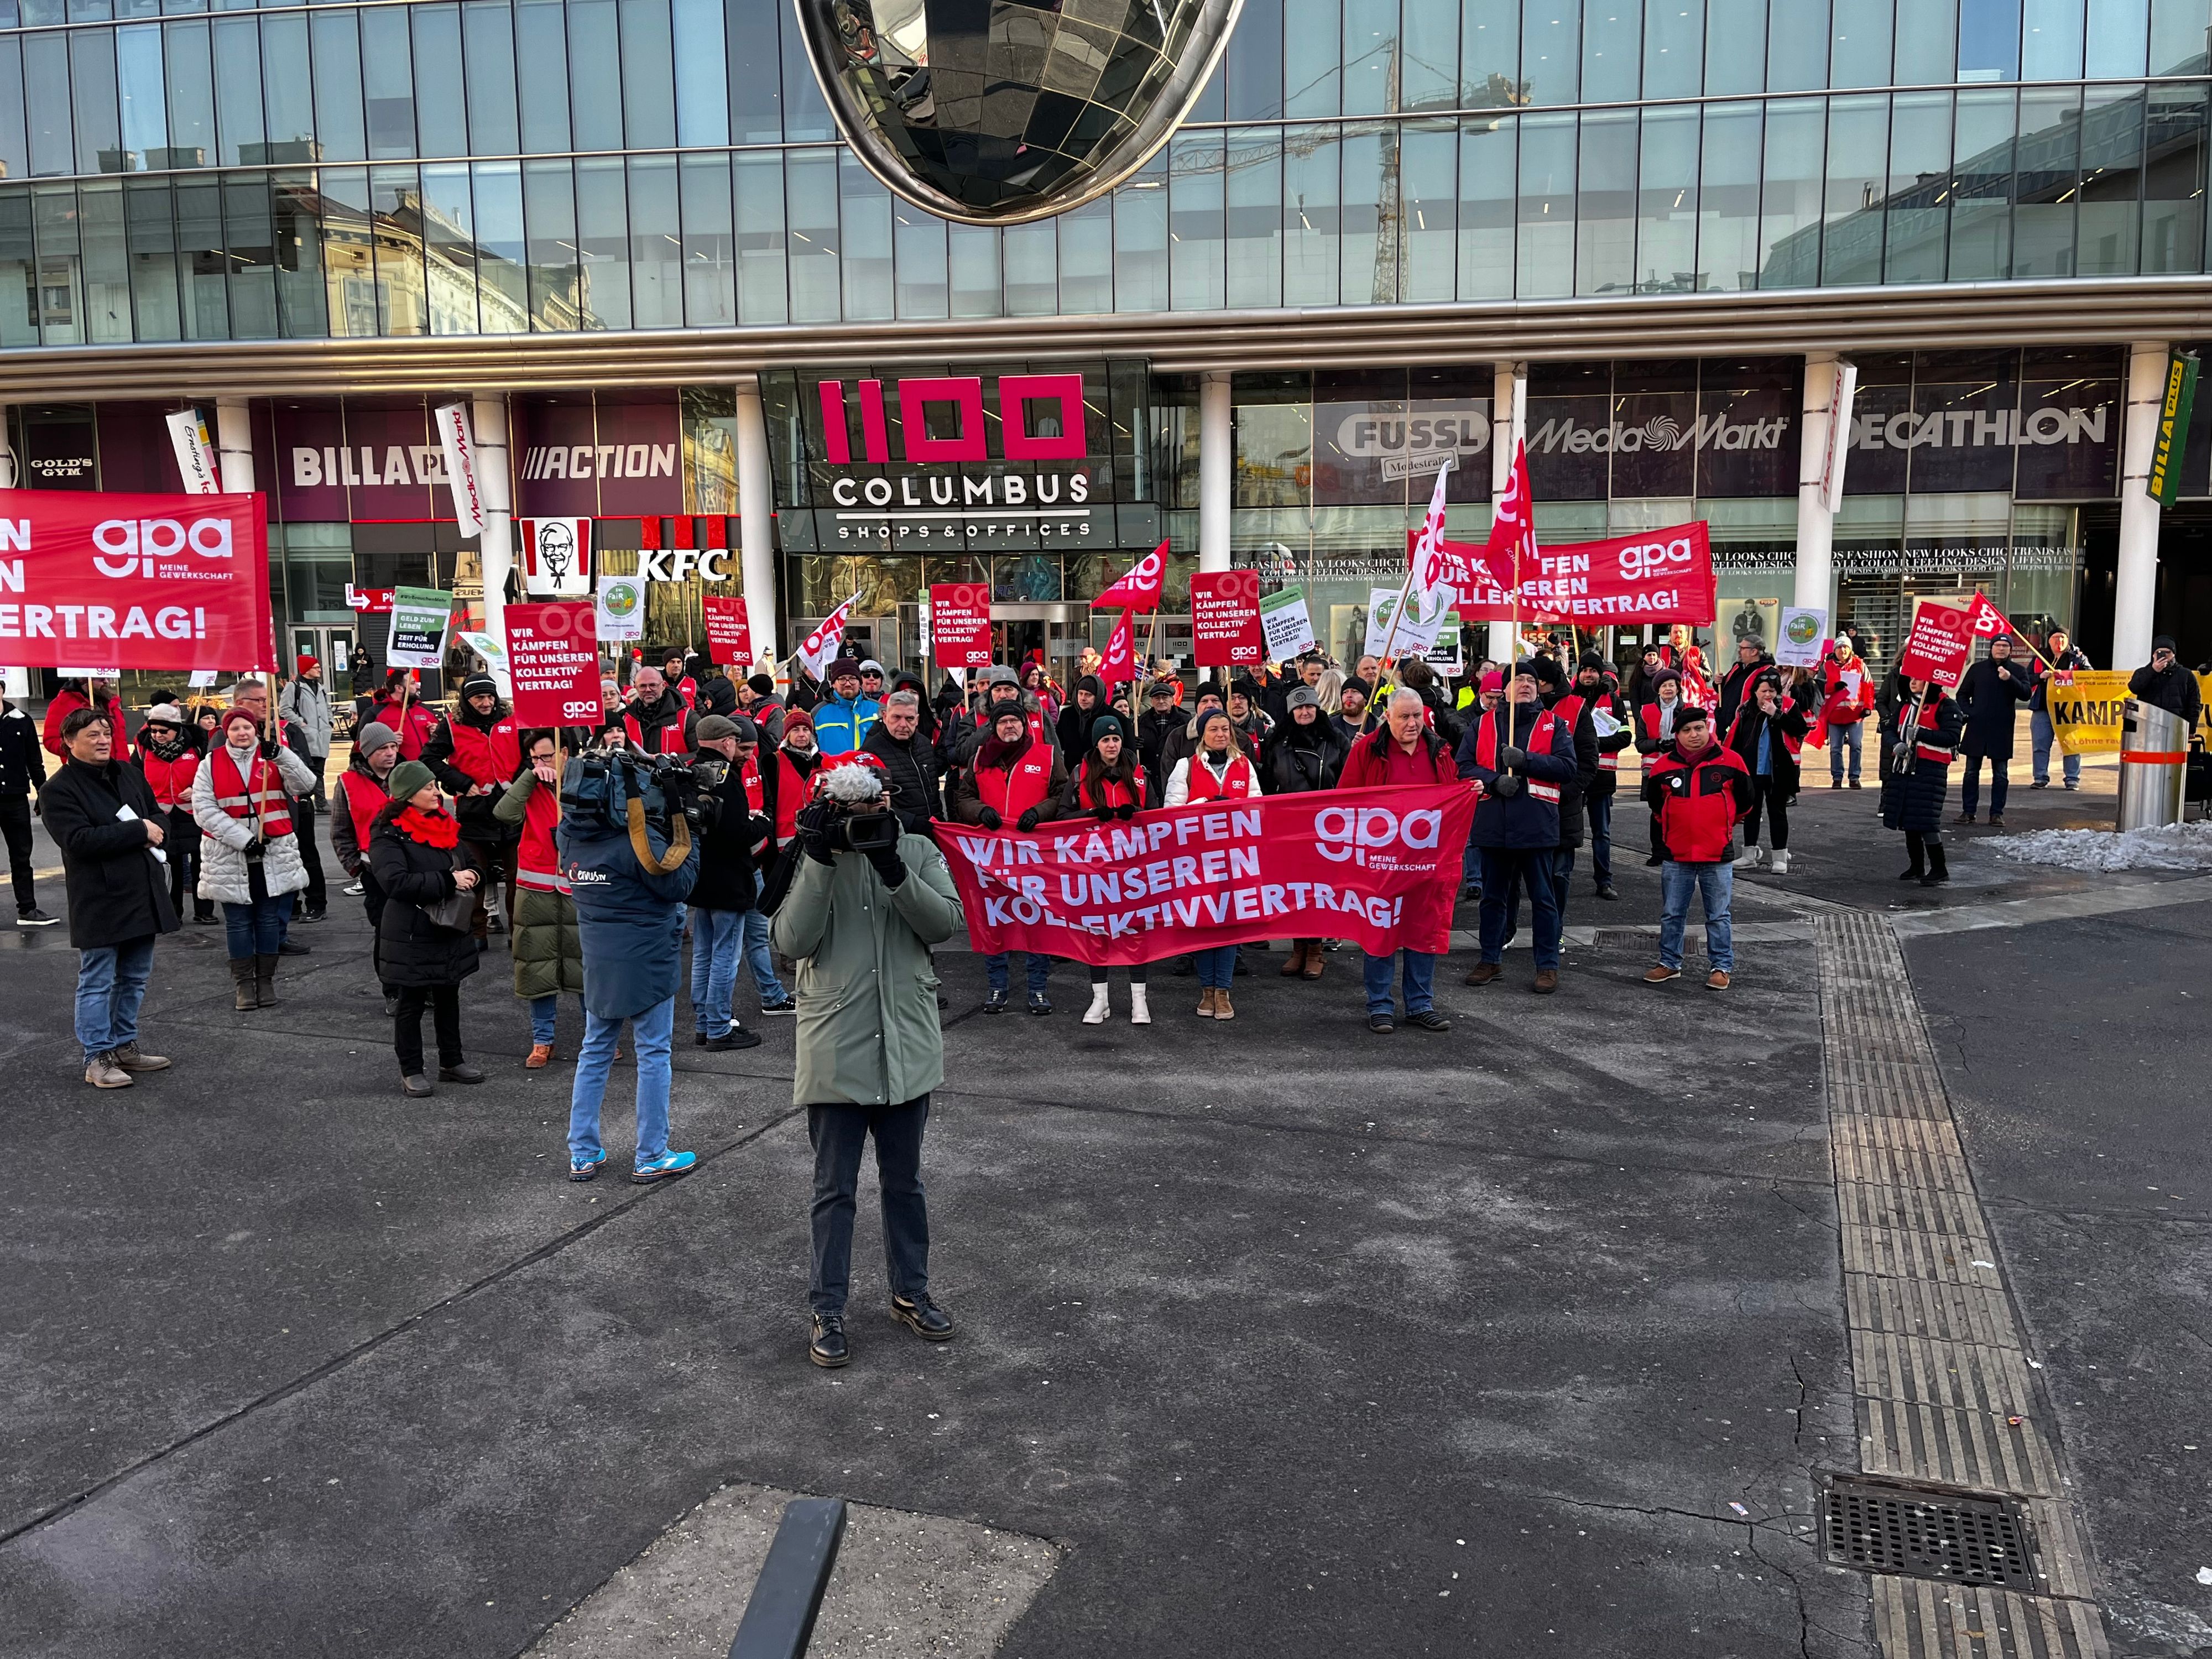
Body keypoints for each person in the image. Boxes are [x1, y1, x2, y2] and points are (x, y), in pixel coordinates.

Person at [773, 758, 964, 1369]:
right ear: (830, 806)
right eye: (852, 807)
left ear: (888, 800)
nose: (866, 816)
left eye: (874, 803)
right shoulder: (811, 855)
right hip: (836, 1048)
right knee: (834, 1189)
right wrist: (819, 859)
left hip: (907, 1045)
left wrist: (893, 868)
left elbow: (945, 923)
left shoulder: (915, 848)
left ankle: (911, 1292)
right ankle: (827, 1308)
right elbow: (791, 941)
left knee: (905, 1183)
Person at [559, 748, 703, 1182]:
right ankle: (651, 1153)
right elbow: (679, 884)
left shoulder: (569, 836)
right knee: (654, 1053)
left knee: (595, 1050)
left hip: (599, 956)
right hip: (648, 956)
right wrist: (690, 829)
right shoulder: (636, 841)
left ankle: (582, 1152)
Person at [44, 707, 178, 1088]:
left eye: (106, 733)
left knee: (134, 978)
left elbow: (158, 816)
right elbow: (78, 841)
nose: (103, 741)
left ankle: (123, 1044)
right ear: (69, 742)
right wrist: (140, 831)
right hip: (99, 898)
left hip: (142, 891)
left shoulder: (129, 773)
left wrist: (154, 828)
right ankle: (97, 1056)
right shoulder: (58, 790)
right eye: (93, 735)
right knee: (98, 980)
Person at [1341, 689, 1457, 1031]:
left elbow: (1453, 793)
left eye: (1417, 716)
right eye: (1404, 716)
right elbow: (1346, 801)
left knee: (1424, 929)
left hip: (1426, 860)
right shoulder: (1368, 750)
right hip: (1381, 861)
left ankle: (1420, 1003)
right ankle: (1380, 1005)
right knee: (1381, 931)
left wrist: (1471, 791)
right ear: (1388, 717)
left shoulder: (1439, 749)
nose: (1412, 723)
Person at [1458, 666, 1577, 998]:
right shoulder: (1481, 724)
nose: (1526, 685)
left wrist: (1527, 760)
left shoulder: (1554, 724)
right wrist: (1495, 780)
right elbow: (1463, 766)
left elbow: (1568, 767)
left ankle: (1547, 965)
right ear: (1505, 689)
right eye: (1518, 680)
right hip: (1493, 825)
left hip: (1536, 825)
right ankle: (1490, 959)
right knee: (1492, 899)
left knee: (1543, 900)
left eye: (1531, 681)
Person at [368, 760, 484, 1095]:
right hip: (412, 931)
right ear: (408, 795)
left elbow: (471, 864)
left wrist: (474, 875)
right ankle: (411, 1069)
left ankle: (452, 1061)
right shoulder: (388, 833)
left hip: (448, 927)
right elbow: (395, 882)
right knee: (412, 1002)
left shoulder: (446, 824)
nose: (437, 792)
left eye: (435, 785)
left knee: (449, 996)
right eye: (429, 787)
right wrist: (449, 881)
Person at [193, 707, 318, 1011]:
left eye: (247, 727)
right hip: (230, 855)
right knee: (237, 922)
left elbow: (306, 785)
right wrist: (243, 840)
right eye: (235, 728)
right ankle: (244, 985)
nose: (242, 733)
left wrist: (284, 756)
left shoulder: (274, 757)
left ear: (255, 730)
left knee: (268, 920)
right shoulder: (210, 764)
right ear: (226, 733)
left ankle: (265, 981)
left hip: (272, 853)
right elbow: (204, 810)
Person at [950, 704, 1068, 1014]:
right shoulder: (980, 757)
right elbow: (963, 797)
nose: (1009, 726)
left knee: (1037, 921)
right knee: (996, 920)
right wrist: (980, 812)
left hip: (1034, 855)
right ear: (994, 727)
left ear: (1025, 724)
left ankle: (1038, 988)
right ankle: (997, 987)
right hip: (993, 856)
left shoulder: (1047, 755)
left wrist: (1038, 813)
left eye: (1015, 720)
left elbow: (1062, 794)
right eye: (1003, 722)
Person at [1641, 706, 1753, 991]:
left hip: (1717, 853)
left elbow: (1746, 802)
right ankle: (1669, 963)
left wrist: (1724, 825)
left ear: (1708, 729)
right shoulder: (1662, 767)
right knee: (1672, 913)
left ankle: (1721, 967)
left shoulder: (1732, 761)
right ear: (1677, 735)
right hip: (1676, 853)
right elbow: (1656, 805)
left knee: (1718, 915)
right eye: (1687, 730)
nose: (1695, 734)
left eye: (1699, 728)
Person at [495, 729, 587, 1067]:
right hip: (535, 888)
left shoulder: (585, 780)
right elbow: (505, 814)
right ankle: (542, 1041)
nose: (539, 763)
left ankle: (597, 1038)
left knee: (585, 968)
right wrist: (530, 776)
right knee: (538, 969)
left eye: (545, 756)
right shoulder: (530, 783)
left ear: (565, 753)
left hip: (580, 885)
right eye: (533, 758)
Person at [685, 713, 768, 1053]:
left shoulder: (692, 771)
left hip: (700, 876)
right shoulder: (726, 777)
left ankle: (704, 1024)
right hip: (729, 879)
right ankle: (719, 1026)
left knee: (703, 954)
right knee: (725, 956)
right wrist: (762, 824)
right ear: (727, 742)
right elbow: (737, 833)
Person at [1061, 714, 1152, 1024]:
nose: (1112, 745)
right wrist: (1089, 814)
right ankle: (1100, 999)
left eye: (1116, 739)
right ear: (1096, 744)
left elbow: (1158, 816)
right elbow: (1062, 815)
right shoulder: (1079, 775)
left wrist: (1137, 813)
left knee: (1135, 930)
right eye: (1105, 740)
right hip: (1095, 867)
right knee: (1097, 931)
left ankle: (1139, 1000)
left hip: (1133, 867)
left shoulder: (1139, 773)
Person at [422, 671, 521, 940]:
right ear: (467, 700)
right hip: (473, 811)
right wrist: (461, 782)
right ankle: (477, 934)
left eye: (490, 696)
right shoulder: (451, 725)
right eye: (479, 698)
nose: (486, 703)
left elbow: (530, 754)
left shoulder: (513, 720)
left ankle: (518, 935)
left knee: (517, 878)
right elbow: (428, 758)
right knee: (474, 875)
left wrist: (520, 785)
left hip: (512, 810)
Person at [1260, 687, 1348, 980]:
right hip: (1288, 827)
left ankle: (1315, 950)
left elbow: (1349, 781)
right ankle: (1298, 947)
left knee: (1319, 891)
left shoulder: (1336, 740)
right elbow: (1267, 782)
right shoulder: (1277, 741)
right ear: (1291, 712)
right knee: (1294, 890)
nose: (1304, 712)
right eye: (1298, 708)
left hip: (1326, 827)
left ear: (1317, 708)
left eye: (1309, 706)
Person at [228, 676, 328, 928]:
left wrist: (285, 760)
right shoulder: (226, 735)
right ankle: (288, 911)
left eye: (268, 700)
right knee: (271, 865)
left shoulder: (286, 730)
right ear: (240, 703)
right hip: (254, 814)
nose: (266, 705)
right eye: (259, 700)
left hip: (293, 805)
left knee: (305, 854)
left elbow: (308, 768)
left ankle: (316, 902)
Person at [333, 722, 404, 1015]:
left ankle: (420, 988)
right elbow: (340, 831)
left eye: (393, 747)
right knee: (386, 933)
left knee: (419, 931)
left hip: (412, 868)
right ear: (367, 752)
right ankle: (393, 991)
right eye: (383, 749)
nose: (390, 753)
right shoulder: (348, 783)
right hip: (375, 871)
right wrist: (356, 868)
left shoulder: (408, 775)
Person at [1879, 671, 1966, 887]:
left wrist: (1920, 734)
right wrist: (1896, 744)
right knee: (1909, 821)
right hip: (1904, 769)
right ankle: (1916, 866)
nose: (1913, 682)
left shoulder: (1947, 706)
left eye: (1918, 679)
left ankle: (1939, 869)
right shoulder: (1905, 705)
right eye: (1911, 679)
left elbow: (1952, 737)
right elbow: (1889, 730)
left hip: (1930, 771)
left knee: (1926, 822)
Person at [1727, 671, 1811, 874]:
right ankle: (1749, 855)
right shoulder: (1745, 709)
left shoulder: (1788, 705)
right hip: (1751, 771)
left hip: (1778, 771)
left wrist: (1777, 714)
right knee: (1751, 813)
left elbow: (1801, 729)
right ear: (1755, 692)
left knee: (1777, 813)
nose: (1768, 695)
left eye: (1772, 691)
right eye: (1763, 691)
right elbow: (1736, 739)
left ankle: (1780, 858)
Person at [1563, 653, 1630, 900]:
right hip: (1573, 776)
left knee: (1601, 833)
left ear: (1601, 674)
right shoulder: (1568, 700)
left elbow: (1625, 737)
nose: (1588, 675)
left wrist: (1591, 744)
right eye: (1585, 670)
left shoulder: (1613, 700)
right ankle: (1562, 878)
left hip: (1602, 778)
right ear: (1578, 673)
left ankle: (1604, 881)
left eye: (1593, 670)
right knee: (1568, 831)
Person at [134, 704, 206, 928]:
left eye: (163, 731)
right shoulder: (143, 749)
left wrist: (196, 788)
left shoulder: (196, 746)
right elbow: (134, 778)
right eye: (153, 730)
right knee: (171, 864)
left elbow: (209, 774)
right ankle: (174, 912)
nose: (157, 735)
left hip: (192, 811)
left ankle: (204, 911)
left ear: (176, 729)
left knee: (201, 862)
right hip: (162, 814)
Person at [1953, 633, 2032, 827]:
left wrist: (2010, 679)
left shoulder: (2018, 671)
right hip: (1977, 728)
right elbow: (1962, 694)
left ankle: (1996, 813)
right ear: (1991, 647)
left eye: (2005, 646)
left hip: (2002, 729)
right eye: (1998, 645)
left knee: (2001, 774)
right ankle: (1968, 812)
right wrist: (1971, 712)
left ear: (2010, 650)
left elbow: (2026, 694)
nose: (2001, 649)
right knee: (1971, 773)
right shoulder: (1977, 669)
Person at [0, 685, 54, 928]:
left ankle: (28, 909)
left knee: (21, 856)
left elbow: (34, 760)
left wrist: (43, 791)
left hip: (16, 798)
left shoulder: (21, 720)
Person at [860, 689, 945, 833]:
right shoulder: (871, 752)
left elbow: (933, 791)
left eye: (909, 719)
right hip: (898, 834)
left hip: (934, 830)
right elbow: (870, 803)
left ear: (917, 720)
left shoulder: (925, 744)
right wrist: (910, 821)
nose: (903, 724)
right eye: (896, 717)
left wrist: (939, 820)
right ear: (885, 717)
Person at [1634, 668, 1688, 865]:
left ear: (1678, 688)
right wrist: (1657, 744)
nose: (1668, 689)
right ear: (1658, 690)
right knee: (1657, 812)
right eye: (1664, 686)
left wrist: (1677, 745)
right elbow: (1640, 743)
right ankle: (1658, 852)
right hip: (1654, 770)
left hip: (1680, 768)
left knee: (1680, 811)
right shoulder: (1646, 711)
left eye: (1671, 685)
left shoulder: (1687, 710)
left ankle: (1676, 850)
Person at [2030, 629, 2092, 790]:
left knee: (2071, 745)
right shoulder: (2039, 657)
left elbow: (2091, 677)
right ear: (2049, 640)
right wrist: (2040, 677)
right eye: (2056, 638)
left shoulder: (2078, 658)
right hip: (2043, 707)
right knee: (2040, 745)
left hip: (2068, 709)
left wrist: (2069, 676)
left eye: (2063, 638)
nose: (2059, 641)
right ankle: (2040, 778)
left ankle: (2072, 779)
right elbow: (2026, 679)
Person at [1814, 636, 1877, 789]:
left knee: (1856, 746)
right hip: (1835, 715)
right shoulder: (1826, 667)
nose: (1842, 650)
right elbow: (1817, 686)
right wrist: (1832, 687)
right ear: (1834, 650)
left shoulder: (1860, 665)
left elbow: (1869, 685)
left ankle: (1854, 777)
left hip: (1855, 714)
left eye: (1846, 647)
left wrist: (1868, 707)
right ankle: (1837, 778)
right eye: (1839, 647)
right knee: (1835, 748)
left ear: (1850, 650)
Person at [279, 656, 335, 803]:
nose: (320, 670)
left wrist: (330, 722)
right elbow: (284, 709)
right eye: (316, 667)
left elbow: (327, 707)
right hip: (305, 737)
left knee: (319, 770)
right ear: (307, 670)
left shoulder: (320, 687)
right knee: (307, 771)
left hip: (322, 735)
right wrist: (300, 723)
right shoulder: (294, 687)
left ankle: (320, 802)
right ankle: (312, 802)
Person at [41, 677, 126, 761]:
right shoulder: (63, 703)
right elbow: (51, 741)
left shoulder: (112, 703)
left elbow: (121, 740)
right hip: (84, 765)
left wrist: (125, 763)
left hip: (119, 765)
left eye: (108, 678)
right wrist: (81, 749)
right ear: (85, 680)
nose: (106, 682)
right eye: (101, 679)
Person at [812, 658, 880, 757]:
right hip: (833, 767)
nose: (848, 684)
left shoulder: (878, 709)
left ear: (859, 682)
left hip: (873, 767)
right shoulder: (818, 713)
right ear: (833, 684)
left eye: (853, 679)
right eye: (842, 679)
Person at [368, 670, 442, 761]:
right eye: (412, 683)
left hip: (427, 767)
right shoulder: (376, 713)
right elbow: (361, 746)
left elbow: (442, 741)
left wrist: (436, 732)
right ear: (399, 688)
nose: (417, 686)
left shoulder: (426, 710)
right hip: (396, 768)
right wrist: (387, 741)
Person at [2127, 635, 2203, 724]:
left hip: (2176, 725)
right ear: (2154, 655)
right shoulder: (2142, 672)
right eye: (2159, 652)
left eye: (2167, 652)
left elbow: (2194, 704)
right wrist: (2153, 671)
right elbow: (2134, 688)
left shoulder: (2186, 675)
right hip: (2148, 725)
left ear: (2174, 654)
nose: (2164, 656)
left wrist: (2191, 728)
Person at [619, 665, 691, 755]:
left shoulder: (685, 716)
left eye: (653, 685)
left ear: (663, 686)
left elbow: (700, 754)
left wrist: (668, 759)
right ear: (636, 688)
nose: (648, 690)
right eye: (642, 686)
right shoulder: (626, 718)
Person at [1715, 637, 1774, 733]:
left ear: (1754, 652)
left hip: (1747, 729)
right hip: (1727, 723)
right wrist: (1719, 682)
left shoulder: (1767, 673)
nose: (1739, 651)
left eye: (1742, 648)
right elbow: (1723, 690)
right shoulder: (1737, 667)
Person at [1136, 679, 1182, 799]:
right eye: (1157, 698)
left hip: (1176, 778)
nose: (1161, 701)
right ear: (1152, 701)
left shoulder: (1185, 721)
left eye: (1165, 697)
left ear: (1172, 700)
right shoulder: (1140, 723)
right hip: (1150, 780)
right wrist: (1133, 744)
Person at [1056, 675, 1106, 758]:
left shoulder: (1110, 717)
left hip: (1099, 765)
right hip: (1071, 766)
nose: (1083, 698)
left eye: (1088, 695)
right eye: (1080, 693)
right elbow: (1058, 744)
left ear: (1098, 696)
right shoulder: (1067, 715)